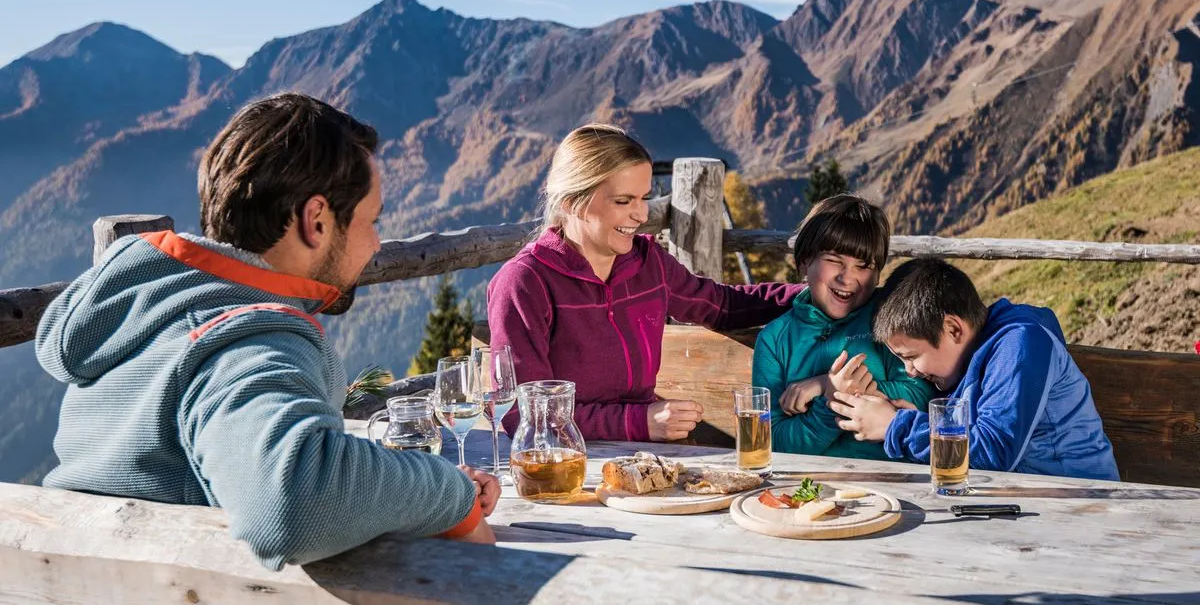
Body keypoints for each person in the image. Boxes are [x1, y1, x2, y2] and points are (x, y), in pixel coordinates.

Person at [36, 93, 499, 571]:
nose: (376, 241)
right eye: (370, 220)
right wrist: (450, 495)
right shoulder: (247, 339)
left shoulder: (148, 309)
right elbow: (291, 499)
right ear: (316, 220)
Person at [487, 124, 804, 442]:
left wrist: (813, 294)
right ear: (571, 202)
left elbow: (724, 306)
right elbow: (523, 414)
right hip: (563, 467)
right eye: (623, 201)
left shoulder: (649, 264)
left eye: (644, 198)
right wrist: (637, 422)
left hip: (647, 457)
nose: (640, 214)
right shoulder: (525, 284)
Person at [830, 257, 1119, 480]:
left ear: (953, 329)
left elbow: (994, 452)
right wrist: (910, 419)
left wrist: (895, 426)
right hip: (1021, 502)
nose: (910, 371)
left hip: (1080, 502)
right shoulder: (969, 357)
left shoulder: (1020, 344)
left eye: (912, 356)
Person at [752, 195, 934, 459]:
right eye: (834, 260)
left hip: (892, 480)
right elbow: (771, 440)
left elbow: (920, 395)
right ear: (804, 261)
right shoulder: (775, 339)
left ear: (878, 273)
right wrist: (829, 403)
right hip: (806, 485)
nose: (846, 277)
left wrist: (826, 384)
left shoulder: (889, 317)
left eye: (863, 266)